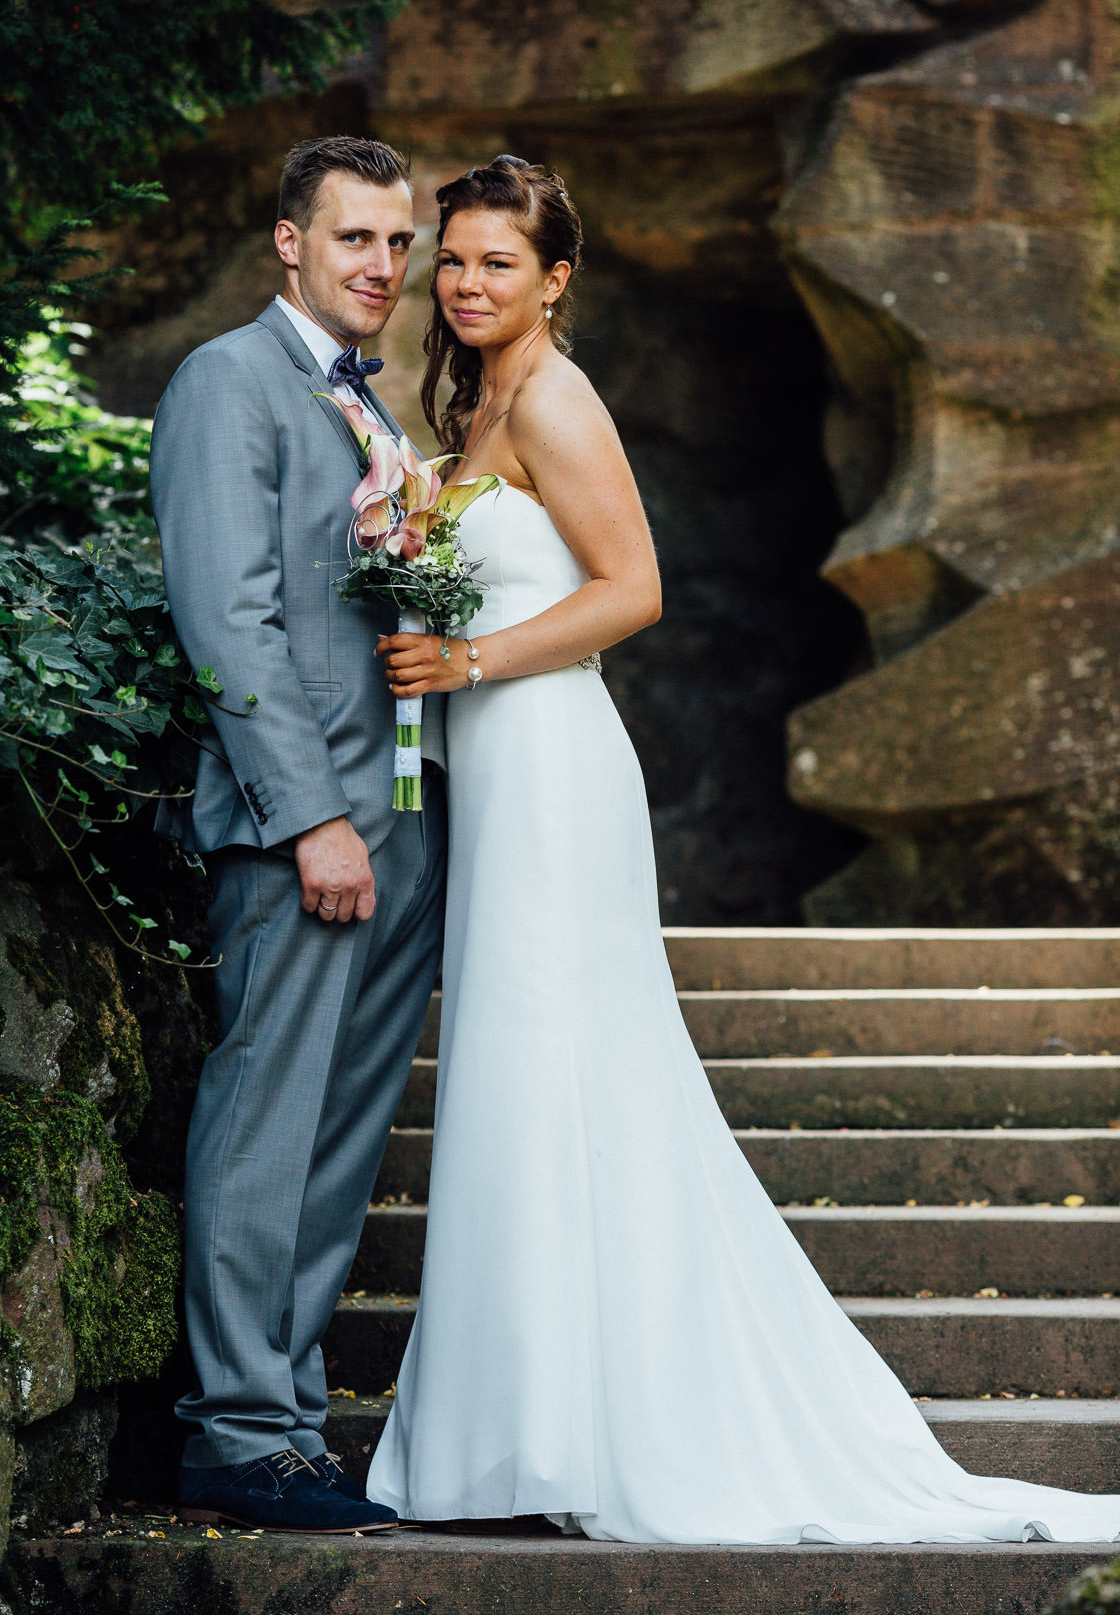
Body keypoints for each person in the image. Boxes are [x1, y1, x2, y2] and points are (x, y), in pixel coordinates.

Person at [366, 155, 1120, 1545]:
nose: (466, 284)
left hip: (551, 769)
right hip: (497, 770)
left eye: (497, 263)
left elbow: (634, 589)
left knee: (557, 1064)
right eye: (451, 260)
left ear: (555, 279)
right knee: (519, 1076)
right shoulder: (470, 408)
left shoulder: (557, 399)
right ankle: (524, 1430)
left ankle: (571, 1434)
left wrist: (466, 660)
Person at [150, 136, 447, 1534]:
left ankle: (287, 1418)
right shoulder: (229, 380)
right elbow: (229, 618)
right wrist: (315, 816)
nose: (382, 266)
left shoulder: (360, 399)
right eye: (353, 239)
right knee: (268, 1124)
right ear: (290, 242)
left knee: (338, 1139)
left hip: (401, 820)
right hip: (306, 829)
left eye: (398, 242)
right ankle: (233, 1432)